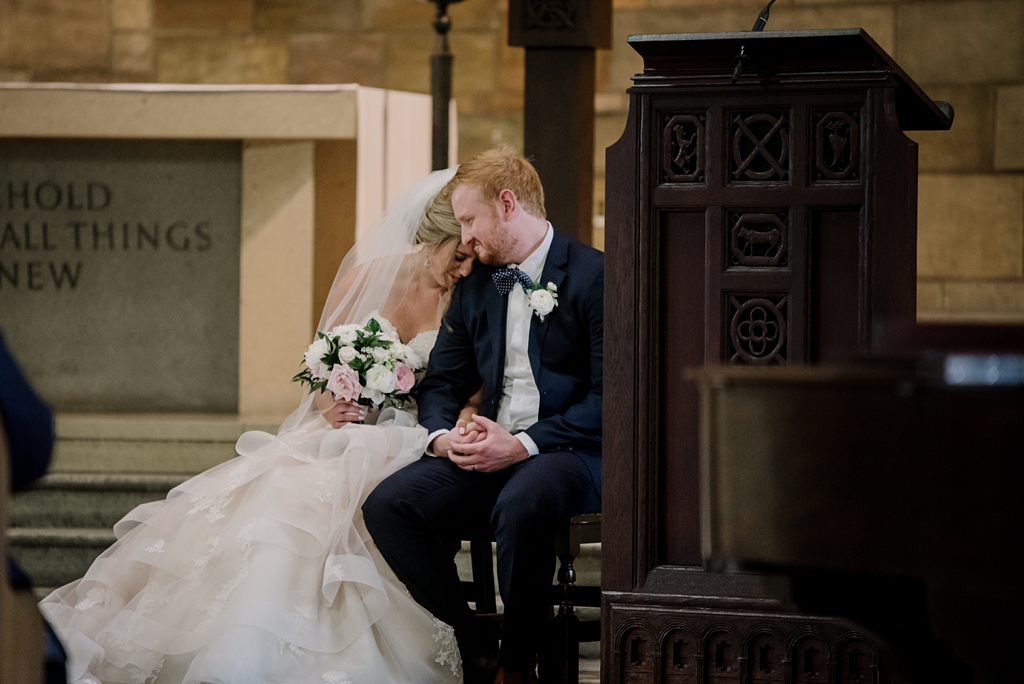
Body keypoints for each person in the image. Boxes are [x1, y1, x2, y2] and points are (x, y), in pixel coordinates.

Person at [39, 168, 473, 684]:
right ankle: (235, 641)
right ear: (430, 241)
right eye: (458, 255)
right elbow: (321, 379)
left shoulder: (469, 297)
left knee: (338, 493)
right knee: (281, 489)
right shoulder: (365, 279)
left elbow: (470, 392)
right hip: (343, 431)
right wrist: (331, 405)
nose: (465, 268)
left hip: (413, 438)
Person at [363, 146, 603, 684]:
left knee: (524, 501)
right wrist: (444, 437)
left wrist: (522, 445)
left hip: (568, 452)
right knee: (390, 504)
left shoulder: (594, 276)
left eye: (470, 220)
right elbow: (445, 382)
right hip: (487, 446)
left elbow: (611, 399)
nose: (464, 238)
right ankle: (471, 642)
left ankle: (515, 666)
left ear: (508, 205)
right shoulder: (478, 283)